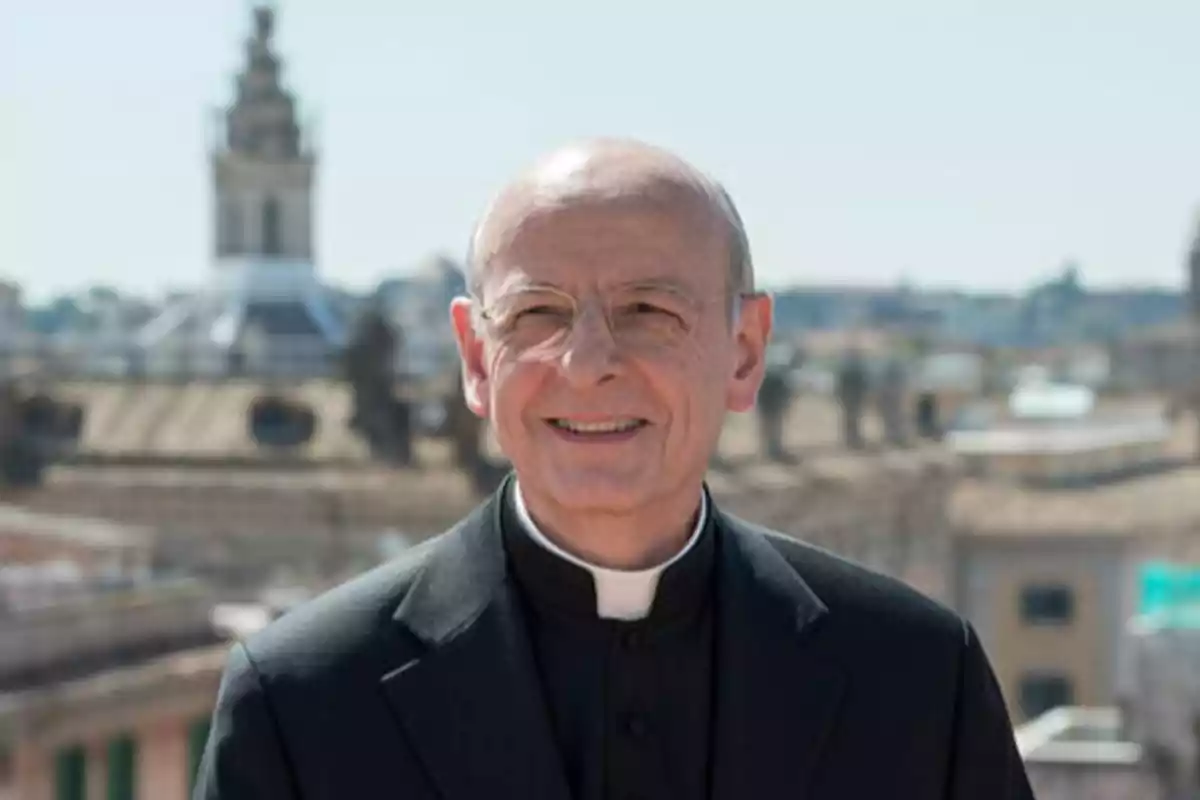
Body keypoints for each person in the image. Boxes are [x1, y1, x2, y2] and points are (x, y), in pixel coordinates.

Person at [195, 139, 1034, 799]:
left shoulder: (920, 679)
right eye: (536, 314)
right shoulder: (300, 705)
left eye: (648, 310)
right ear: (477, 360)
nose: (588, 361)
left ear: (744, 353)